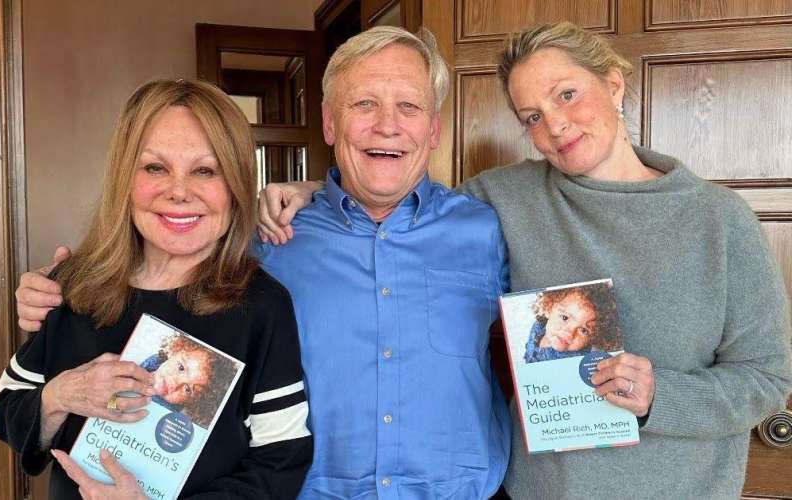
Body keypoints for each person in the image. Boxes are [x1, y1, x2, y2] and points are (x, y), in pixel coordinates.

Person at [255, 21, 792, 499]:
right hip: (538, 490)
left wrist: (659, 396)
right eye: (532, 115)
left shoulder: (720, 220)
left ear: (614, 83)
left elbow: (769, 378)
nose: (555, 125)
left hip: (680, 487)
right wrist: (314, 194)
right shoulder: (501, 202)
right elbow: (394, 203)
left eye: (567, 94)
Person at [12, 28, 511, 499]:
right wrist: (60, 291)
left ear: (434, 129)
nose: (388, 124)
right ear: (330, 123)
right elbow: (163, 248)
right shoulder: (263, 238)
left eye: (409, 105)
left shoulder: (488, 230)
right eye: (364, 104)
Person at [0, 79, 312, 499]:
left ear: (235, 184)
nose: (179, 191)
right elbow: (8, 408)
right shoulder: (69, 286)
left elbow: (281, 462)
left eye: (205, 170)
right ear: (124, 179)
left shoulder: (263, 306)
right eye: (155, 168)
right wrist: (61, 395)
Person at [141, 333, 238, 428]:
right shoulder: (151, 361)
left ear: (191, 404)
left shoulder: (163, 420)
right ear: (174, 350)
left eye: (187, 389)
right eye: (181, 368)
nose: (175, 383)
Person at [524, 283, 619, 364]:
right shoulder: (539, 326)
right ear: (549, 308)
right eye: (564, 318)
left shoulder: (573, 364)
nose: (569, 333)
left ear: (594, 338)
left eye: (583, 330)